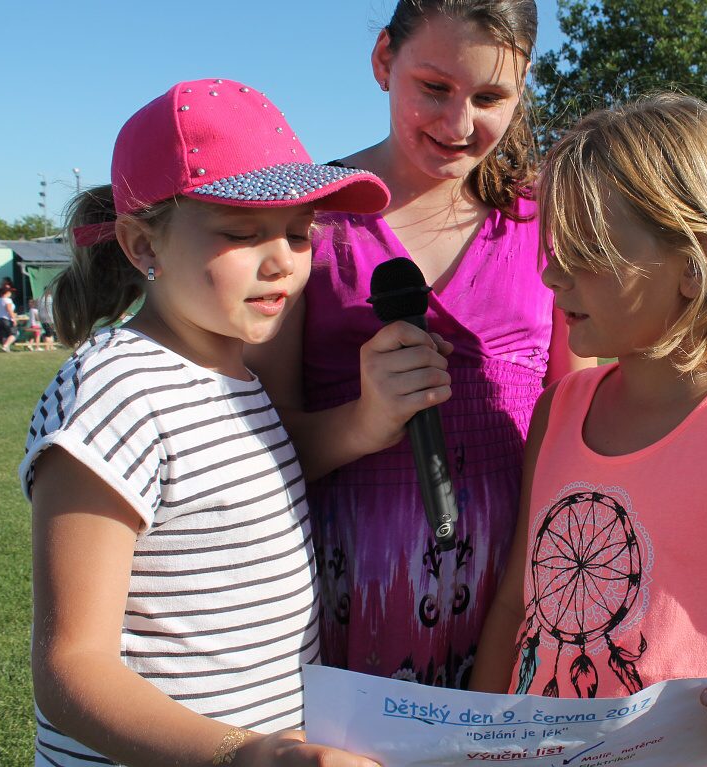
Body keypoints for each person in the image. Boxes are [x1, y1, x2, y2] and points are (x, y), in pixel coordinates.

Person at [20, 78, 391, 767]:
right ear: (142, 245)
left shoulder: (240, 381)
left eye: (300, 233)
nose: (282, 261)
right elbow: (71, 669)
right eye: (242, 233)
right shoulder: (116, 390)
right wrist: (247, 755)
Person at [470, 94, 707, 767]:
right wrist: (470, 737)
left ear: (696, 263)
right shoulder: (559, 410)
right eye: (555, 248)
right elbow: (514, 604)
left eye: (587, 252)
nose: (551, 274)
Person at [247, 0, 586, 688]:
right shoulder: (305, 221)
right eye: (434, 87)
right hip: (346, 609)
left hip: (516, 606)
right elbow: (255, 450)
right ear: (383, 60)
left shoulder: (546, 220)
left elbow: (577, 425)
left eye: (490, 98)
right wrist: (361, 423)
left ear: (522, 89)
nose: (458, 124)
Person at [0, 285, 17, 352]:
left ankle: (6, 348)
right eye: (10, 292)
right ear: (7, 292)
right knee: (14, 333)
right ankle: (6, 346)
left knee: (5, 334)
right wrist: (13, 319)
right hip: (7, 318)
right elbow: (9, 310)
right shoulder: (8, 300)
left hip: (0, 318)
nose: (11, 293)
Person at [37, 284, 57, 349]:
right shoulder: (50, 299)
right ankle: (47, 348)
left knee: (49, 332)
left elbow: (38, 308)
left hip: (42, 318)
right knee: (49, 334)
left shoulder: (40, 298)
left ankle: (51, 346)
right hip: (49, 319)